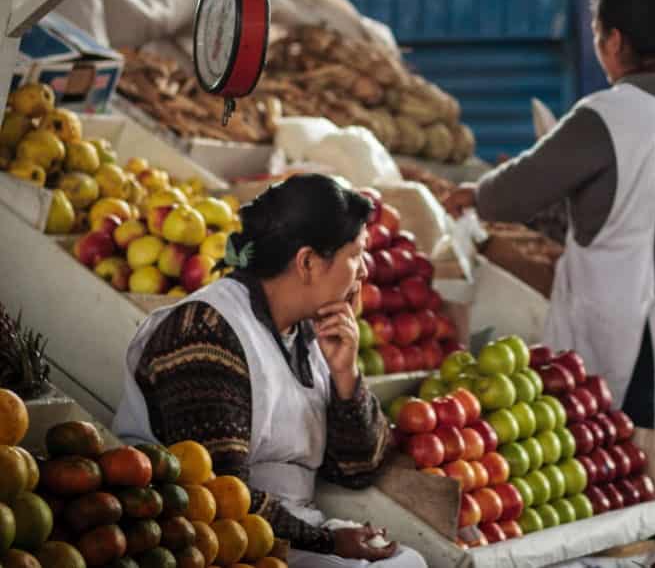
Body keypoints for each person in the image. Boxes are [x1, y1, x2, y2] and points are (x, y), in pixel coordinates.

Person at [445, 0, 655, 533]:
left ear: (614, 41)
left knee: (631, 482)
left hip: (643, 334)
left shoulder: (609, 114)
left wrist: (474, 196)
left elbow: (516, 189)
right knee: (645, 460)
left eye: (596, 33)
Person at [113, 174, 426, 567]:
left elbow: (358, 468)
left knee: (408, 562)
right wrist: (328, 541)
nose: (364, 271)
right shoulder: (206, 333)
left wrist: (346, 376)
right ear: (308, 262)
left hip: (287, 530)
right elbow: (223, 495)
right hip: (212, 540)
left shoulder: (308, 334)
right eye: (356, 254)